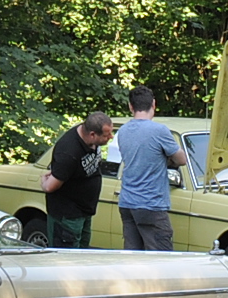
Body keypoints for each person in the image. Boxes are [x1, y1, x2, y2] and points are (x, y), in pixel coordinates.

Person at [114, 86, 185, 250]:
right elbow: (181, 160)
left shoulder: (123, 131)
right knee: (160, 256)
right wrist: (166, 158)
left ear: (130, 106)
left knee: (133, 255)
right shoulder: (159, 131)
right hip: (151, 204)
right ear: (154, 104)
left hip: (127, 203)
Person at [41, 113, 114, 247]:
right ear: (92, 134)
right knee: (66, 256)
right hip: (67, 217)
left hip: (84, 211)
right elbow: (50, 187)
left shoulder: (89, 138)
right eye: (106, 135)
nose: (111, 137)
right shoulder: (68, 152)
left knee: (82, 253)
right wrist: (44, 181)